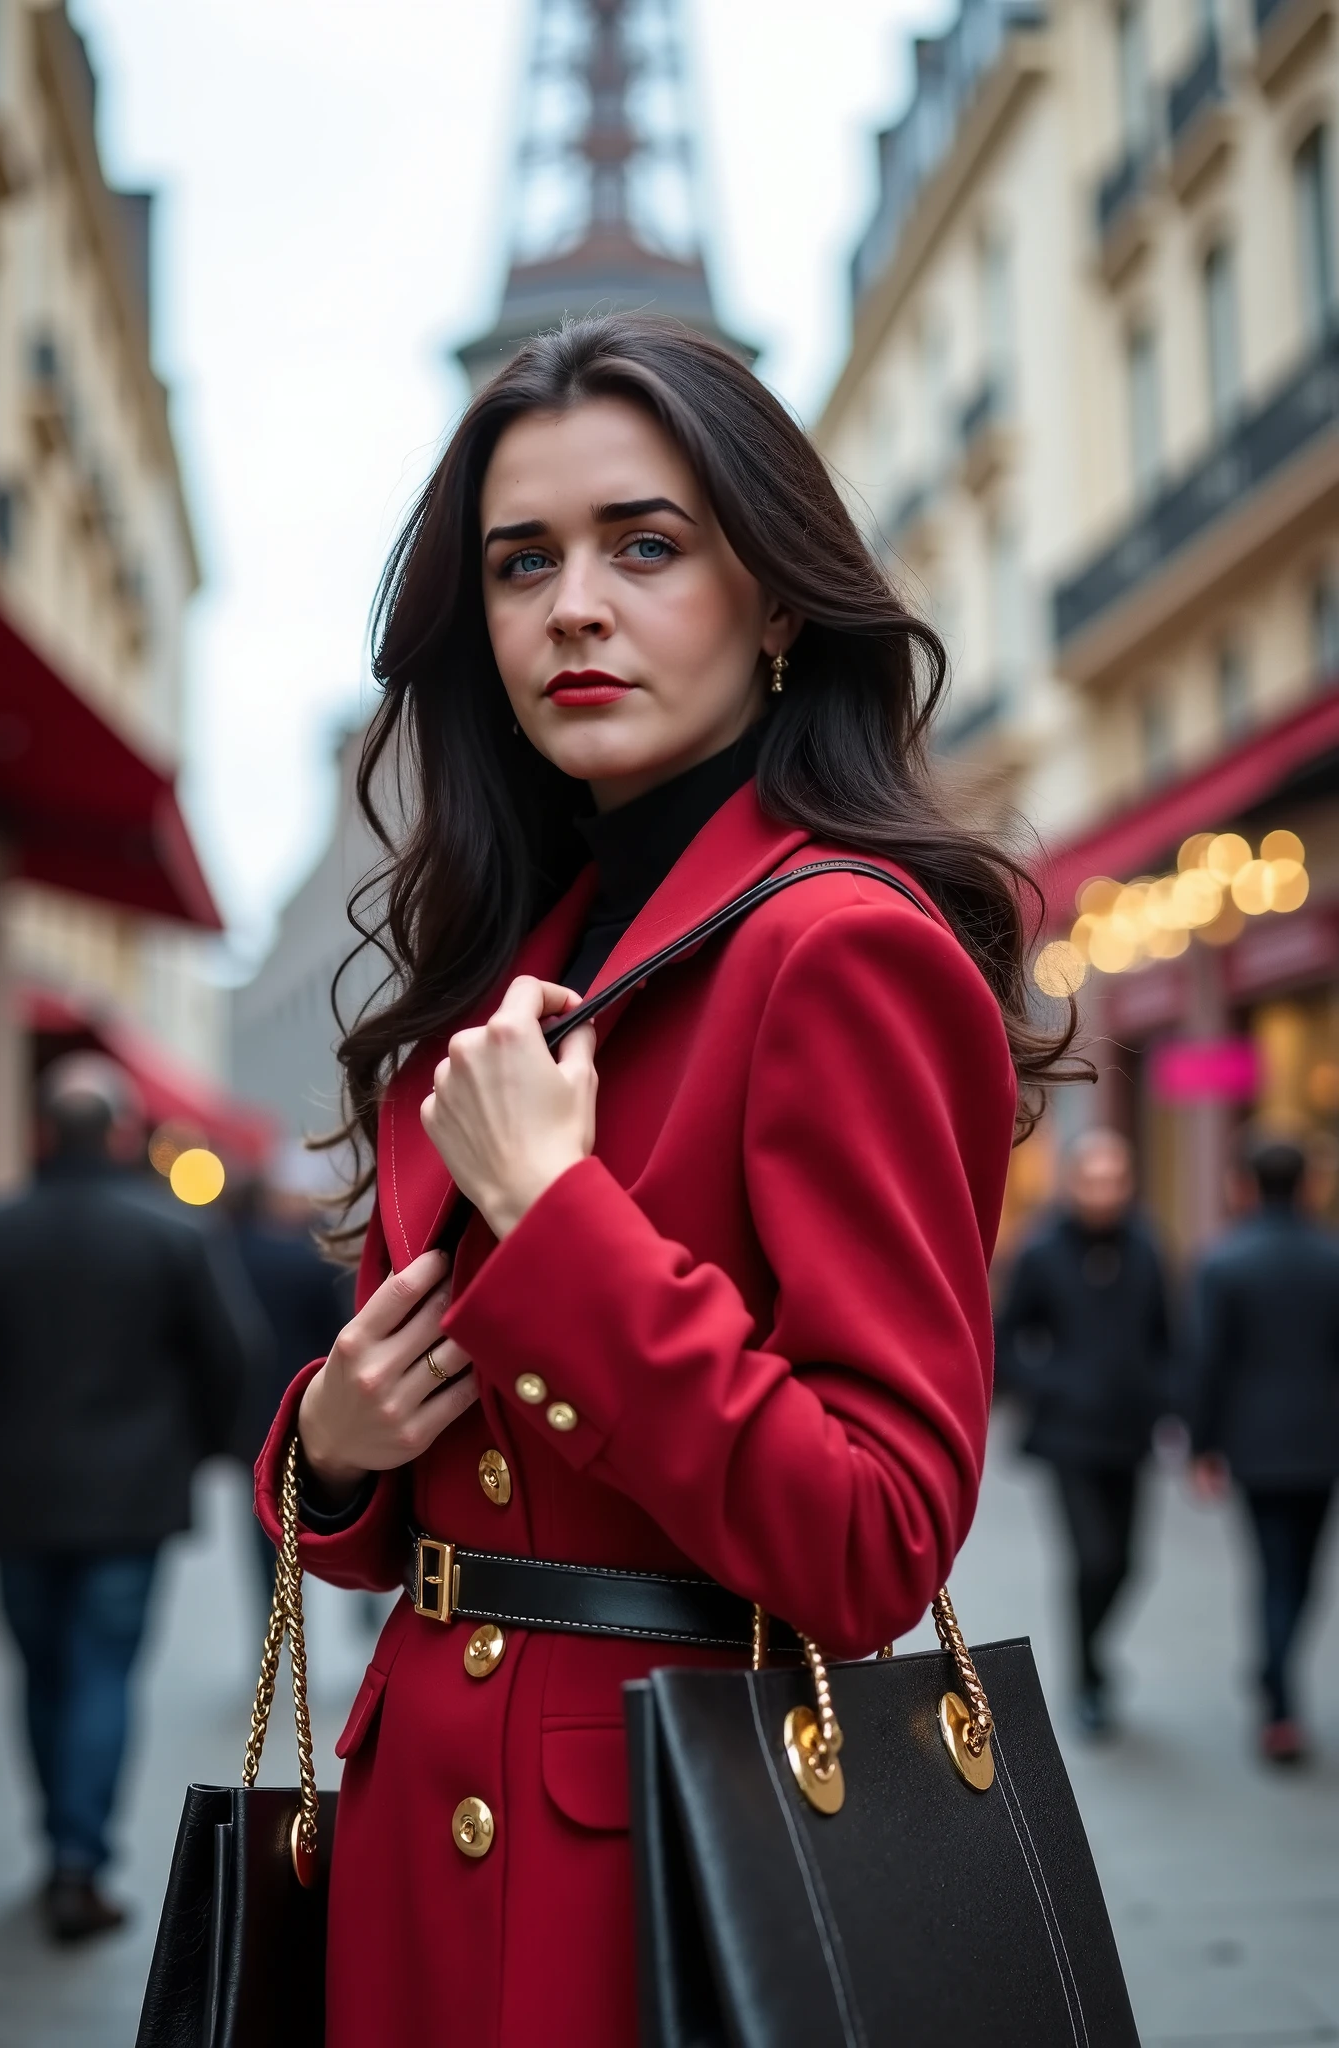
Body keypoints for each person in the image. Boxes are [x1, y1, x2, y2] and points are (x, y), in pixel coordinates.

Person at [253, 314, 1077, 2047]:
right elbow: (423, 1493)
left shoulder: (839, 948)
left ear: (774, 602)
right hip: (409, 1853)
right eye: (521, 561)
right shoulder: (497, 969)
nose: (573, 606)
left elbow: (876, 1537)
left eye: (645, 546)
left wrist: (562, 1226)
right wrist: (330, 1438)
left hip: (669, 1869)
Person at [0, 1055, 257, 1940]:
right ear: (124, 1133)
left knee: (44, 1673)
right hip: (132, 1496)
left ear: (45, 1131)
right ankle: (78, 1860)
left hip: (16, 1492)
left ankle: (63, 1844)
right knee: (100, 1672)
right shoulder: (170, 1233)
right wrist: (195, 1451)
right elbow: (232, 1356)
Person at [996, 1128, 1171, 1735]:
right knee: (1092, 1558)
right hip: (1067, 1437)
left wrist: (1163, 1394)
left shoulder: (1146, 1248)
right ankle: (1087, 1680)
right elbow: (1007, 1338)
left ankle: (1094, 1658)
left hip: (1130, 1433)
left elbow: (1166, 1335)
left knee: (1126, 1564)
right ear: (1072, 1183)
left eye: (1115, 1179)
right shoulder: (1042, 1251)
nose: (1105, 1191)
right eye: (1093, 1179)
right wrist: (1051, 1384)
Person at [1192, 1134, 1339, 1764]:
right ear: (1310, 1186)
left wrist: (1202, 1446)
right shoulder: (1331, 1258)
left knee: (1274, 1569)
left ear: (1245, 1187)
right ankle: (1277, 1684)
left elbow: (1205, 1363)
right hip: (1322, 1442)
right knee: (1301, 1574)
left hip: (1254, 1444)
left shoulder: (1224, 1262)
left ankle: (1276, 1696)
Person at [230, 1148, 353, 1605]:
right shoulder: (316, 1260)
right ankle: (293, 1600)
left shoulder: (239, 1249)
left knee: (260, 1514)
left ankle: (273, 1606)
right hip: (305, 1401)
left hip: (253, 1406)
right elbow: (338, 1336)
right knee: (303, 1509)